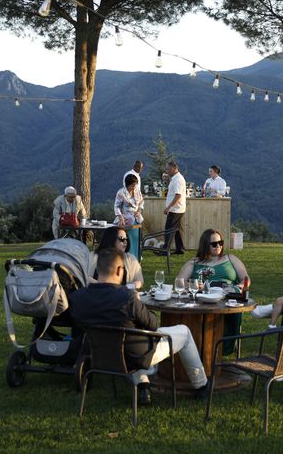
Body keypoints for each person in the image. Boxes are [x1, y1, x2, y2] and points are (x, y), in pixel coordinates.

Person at [69, 250, 208, 405]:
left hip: (100, 354)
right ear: (119, 270)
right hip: (136, 355)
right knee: (184, 331)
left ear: (98, 270)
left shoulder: (78, 298)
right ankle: (202, 385)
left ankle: (143, 383)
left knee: (130, 337)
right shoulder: (127, 298)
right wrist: (138, 303)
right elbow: (153, 325)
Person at [177, 229, 249, 354]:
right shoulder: (194, 262)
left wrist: (240, 287)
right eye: (214, 244)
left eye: (220, 243)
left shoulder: (230, 258)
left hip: (228, 296)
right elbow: (179, 282)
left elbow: (245, 278)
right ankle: (202, 345)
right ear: (205, 245)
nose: (219, 246)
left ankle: (224, 347)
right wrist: (192, 285)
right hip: (203, 298)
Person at [162, 161, 186, 254]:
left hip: (175, 209)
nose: (166, 171)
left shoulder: (178, 180)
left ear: (173, 169)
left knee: (169, 229)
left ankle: (165, 250)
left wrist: (169, 207)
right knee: (177, 230)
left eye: (167, 169)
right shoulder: (175, 178)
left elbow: (178, 195)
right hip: (178, 209)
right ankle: (180, 249)